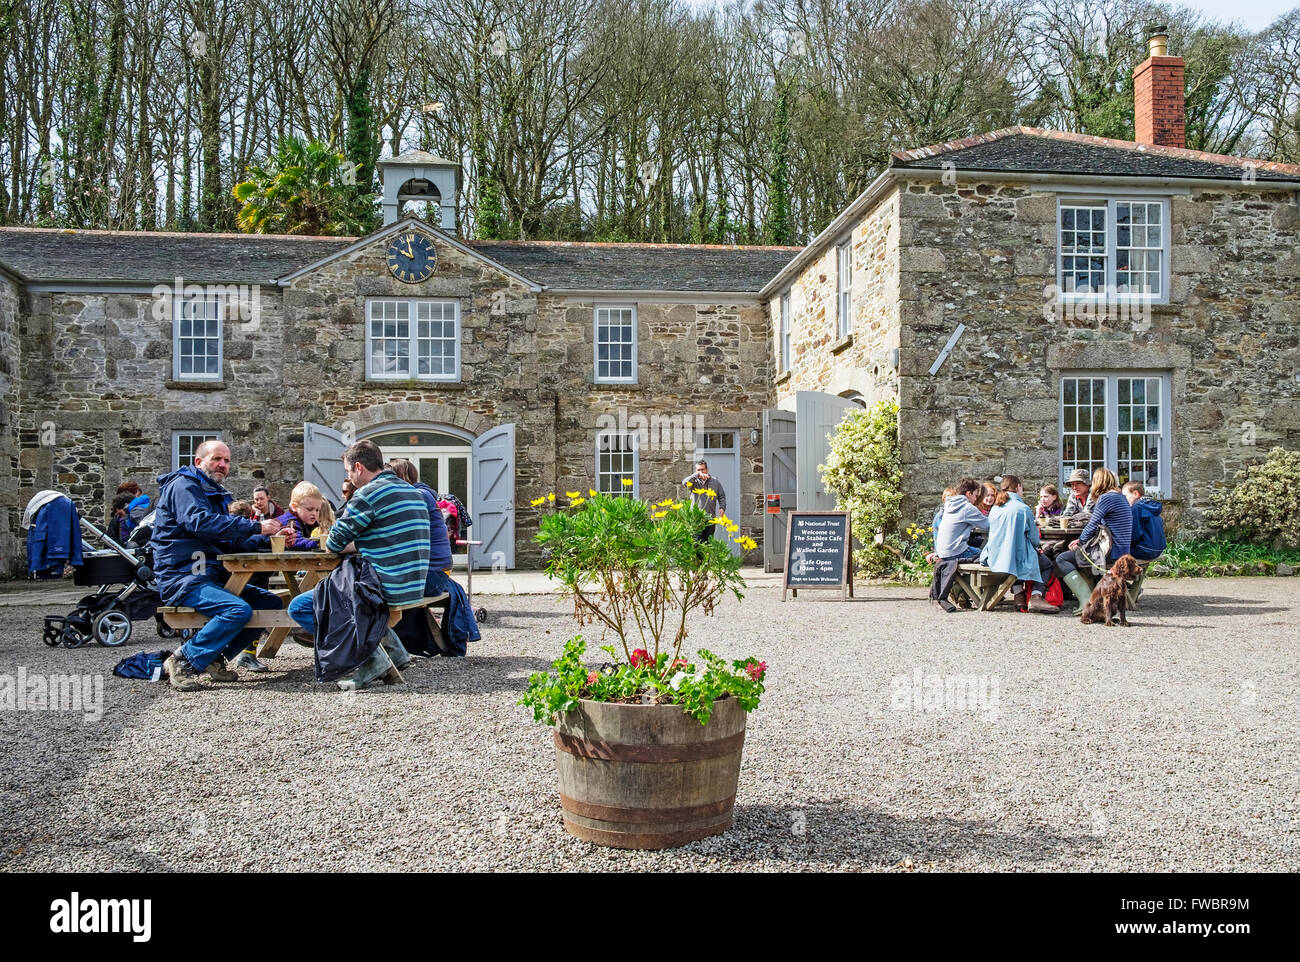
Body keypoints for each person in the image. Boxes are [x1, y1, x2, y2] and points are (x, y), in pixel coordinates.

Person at [287, 441, 430, 689]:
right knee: (340, 598)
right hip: (413, 584)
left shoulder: (368, 494)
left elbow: (333, 542)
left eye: (348, 472)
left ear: (358, 467)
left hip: (385, 585)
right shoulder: (411, 492)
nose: (349, 478)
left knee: (300, 607)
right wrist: (361, 544)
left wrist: (353, 543)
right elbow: (388, 539)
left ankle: (372, 660)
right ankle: (394, 651)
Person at [152, 441, 283, 690]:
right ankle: (183, 660)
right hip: (183, 577)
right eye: (216, 459)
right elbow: (200, 524)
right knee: (237, 610)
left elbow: (229, 538)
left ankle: (214, 659)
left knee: (271, 603)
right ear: (198, 462)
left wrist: (267, 539)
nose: (222, 465)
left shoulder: (215, 493)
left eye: (226, 461)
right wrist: (256, 526)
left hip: (211, 576)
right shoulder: (183, 486)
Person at [387, 459, 480, 654]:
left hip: (432, 576)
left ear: (400, 478)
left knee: (372, 591)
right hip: (436, 573)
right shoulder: (423, 494)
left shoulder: (417, 497)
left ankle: (387, 650)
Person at [1055, 468, 1133, 614]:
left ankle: (1087, 601)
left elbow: (1092, 523)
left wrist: (1080, 541)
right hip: (1122, 550)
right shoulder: (1120, 497)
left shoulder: (1106, 498)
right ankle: (1095, 597)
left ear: (1099, 482)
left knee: (1062, 558)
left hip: (1111, 551)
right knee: (1076, 556)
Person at [980, 475, 1059, 613]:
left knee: (1015, 559)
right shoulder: (1023, 508)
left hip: (994, 556)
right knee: (1047, 564)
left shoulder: (995, 508)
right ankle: (1036, 596)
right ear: (1018, 487)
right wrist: (1036, 547)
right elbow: (1034, 539)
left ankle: (1019, 595)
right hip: (1015, 558)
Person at [935, 478, 990, 563]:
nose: (975, 499)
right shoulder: (967, 507)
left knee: (976, 550)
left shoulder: (950, 505)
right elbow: (988, 525)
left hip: (942, 553)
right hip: (955, 552)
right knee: (986, 555)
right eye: (975, 495)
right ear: (969, 493)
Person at [274, 482, 327, 551]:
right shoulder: (291, 522)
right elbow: (295, 541)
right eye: (310, 509)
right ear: (294, 507)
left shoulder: (306, 521)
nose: (314, 513)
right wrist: (320, 543)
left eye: (317, 510)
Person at [682, 460, 727, 543]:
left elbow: (722, 496)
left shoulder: (715, 482)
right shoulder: (693, 482)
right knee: (696, 544)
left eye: (702, 469)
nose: (700, 472)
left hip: (710, 518)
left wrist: (722, 507)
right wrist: (696, 475)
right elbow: (684, 482)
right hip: (696, 519)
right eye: (698, 470)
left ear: (707, 470)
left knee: (707, 544)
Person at [1124, 481, 1167, 561]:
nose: (1124, 500)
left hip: (1145, 550)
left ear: (1135, 494)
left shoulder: (1136, 507)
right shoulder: (1151, 505)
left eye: (1125, 496)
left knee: (1118, 552)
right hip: (1159, 549)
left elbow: (1135, 534)